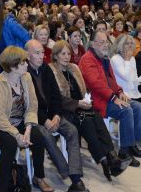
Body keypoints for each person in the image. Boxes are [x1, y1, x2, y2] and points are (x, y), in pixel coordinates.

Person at [49, 41, 129, 181]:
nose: (67, 57)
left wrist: (85, 100)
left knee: (96, 116)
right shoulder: (51, 71)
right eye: (63, 54)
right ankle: (106, 161)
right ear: (55, 56)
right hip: (65, 111)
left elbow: (84, 90)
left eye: (69, 53)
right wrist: (77, 103)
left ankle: (110, 157)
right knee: (87, 121)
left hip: (81, 107)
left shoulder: (74, 69)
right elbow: (55, 99)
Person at [0, 46, 53, 192]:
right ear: (13, 66)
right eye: (23, 62)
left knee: (38, 135)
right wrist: (17, 135)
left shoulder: (26, 78)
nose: (26, 64)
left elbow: (32, 106)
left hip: (21, 121)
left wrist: (29, 127)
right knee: (10, 144)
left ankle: (39, 176)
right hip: (0, 125)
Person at [25, 40, 89, 192]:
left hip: (52, 115)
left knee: (72, 131)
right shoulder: (24, 73)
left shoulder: (46, 69)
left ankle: (75, 179)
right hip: (34, 119)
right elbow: (28, 105)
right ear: (27, 55)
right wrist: (45, 120)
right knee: (45, 135)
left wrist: (57, 116)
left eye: (42, 52)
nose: (42, 56)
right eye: (37, 53)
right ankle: (68, 174)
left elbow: (56, 97)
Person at [79, 30, 141, 165]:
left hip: (107, 96)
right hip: (96, 100)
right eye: (101, 42)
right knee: (126, 110)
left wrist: (119, 92)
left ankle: (132, 144)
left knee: (138, 106)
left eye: (106, 42)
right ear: (92, 43)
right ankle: (124, 152)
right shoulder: (87, 59)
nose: (105, 45)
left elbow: (111, 81)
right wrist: (113, 98)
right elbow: (95, 84)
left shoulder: (104, 58)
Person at [109, 34, 141, 149]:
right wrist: (127, 60)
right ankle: (136, 139)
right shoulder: (115, 59)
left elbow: (134, 77)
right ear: (120, 45)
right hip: (123, 93)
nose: (129, 46)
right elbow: (126, 77)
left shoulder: (132, 59)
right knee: (140, 105)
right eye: (126, 44)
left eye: (131, 44)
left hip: (133, 91)